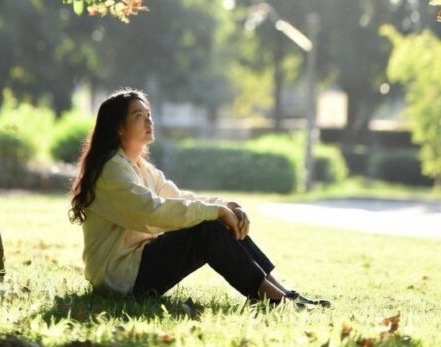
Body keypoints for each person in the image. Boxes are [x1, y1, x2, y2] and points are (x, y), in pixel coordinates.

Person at [69, 88, 329, 307]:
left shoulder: (140, 167)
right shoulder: (111, 169)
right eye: (138, 116)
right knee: (207, 229)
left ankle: (283, 294)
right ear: (119, 128)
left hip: (137, 266)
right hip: (119, 278)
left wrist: (223, 206)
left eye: (148, 115)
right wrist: (214, 213)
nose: (149, 121)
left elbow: (178, 197)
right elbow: (151, 212)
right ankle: (276, 301)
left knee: (213, 220)